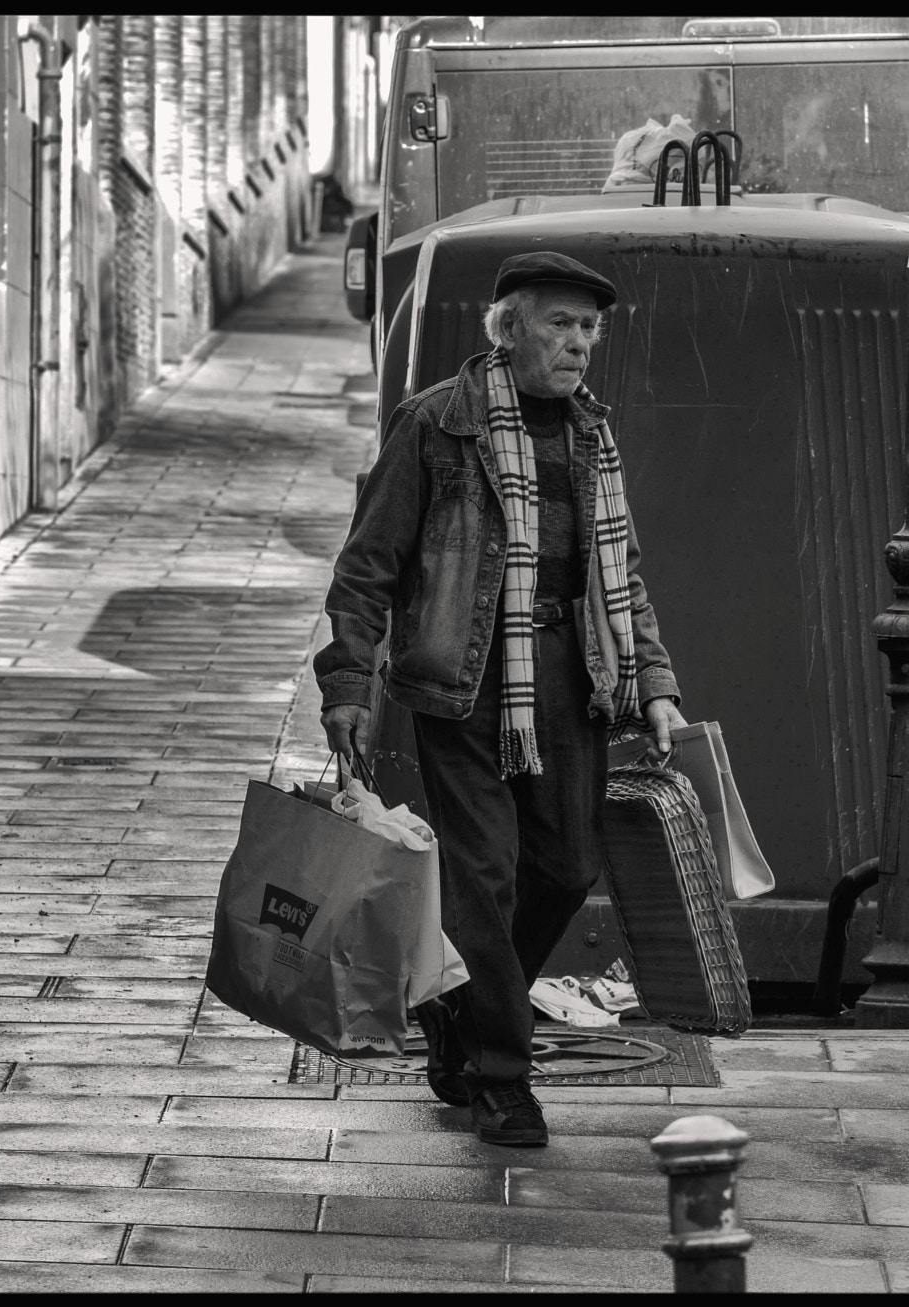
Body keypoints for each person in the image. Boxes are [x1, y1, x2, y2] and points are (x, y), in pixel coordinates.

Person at [314, 251, 689, 1147]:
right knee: (484, 878)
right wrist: (347, 683)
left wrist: (658, 687)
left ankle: (461, 1010)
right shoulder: (436, 423)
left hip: (574, 681)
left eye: (590, 329)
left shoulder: (593, 433)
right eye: (561, 324)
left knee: (565, 869)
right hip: (462, 684)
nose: (578, 345)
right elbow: (367, 567)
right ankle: (502, 1079)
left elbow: (622, 575)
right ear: (509, 326)